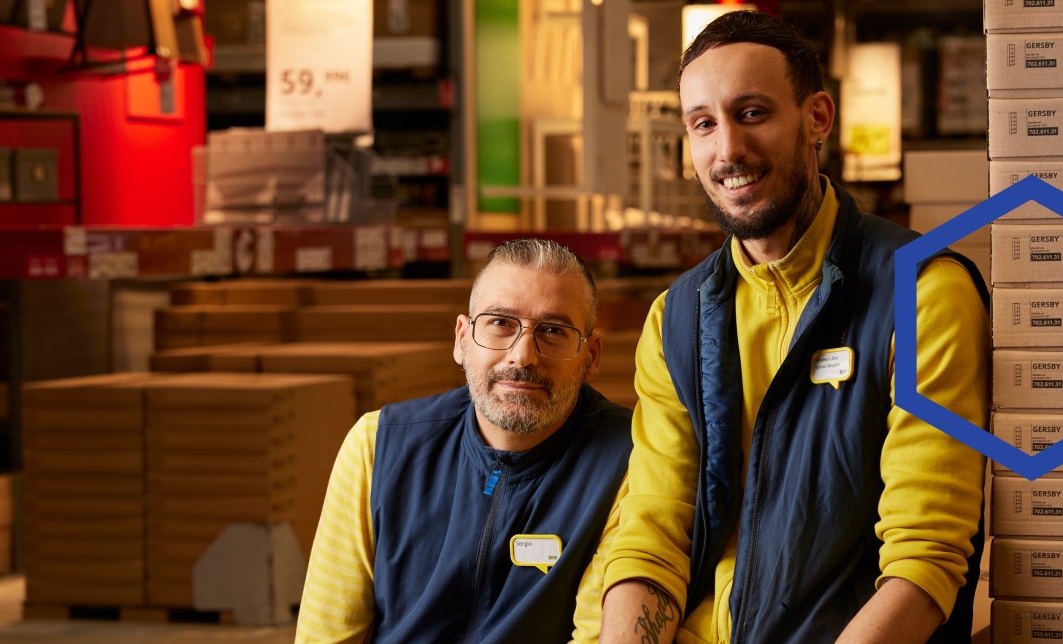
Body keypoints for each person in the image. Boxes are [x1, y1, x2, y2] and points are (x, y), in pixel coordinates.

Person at [584, 10, 989, 644]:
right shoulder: (676, 319)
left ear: (817, 118)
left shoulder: (921, 293)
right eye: (703, 124)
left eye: (752, 114)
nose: (728, 151)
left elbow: (924, 561)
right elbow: (651, 534)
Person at [295, 238, 633, 643]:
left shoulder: (628, 463)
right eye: (500, 323)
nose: (522, 355)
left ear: (591, 356)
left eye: (553, 331)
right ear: (462, 339)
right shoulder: (377, 447)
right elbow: (326, 634)